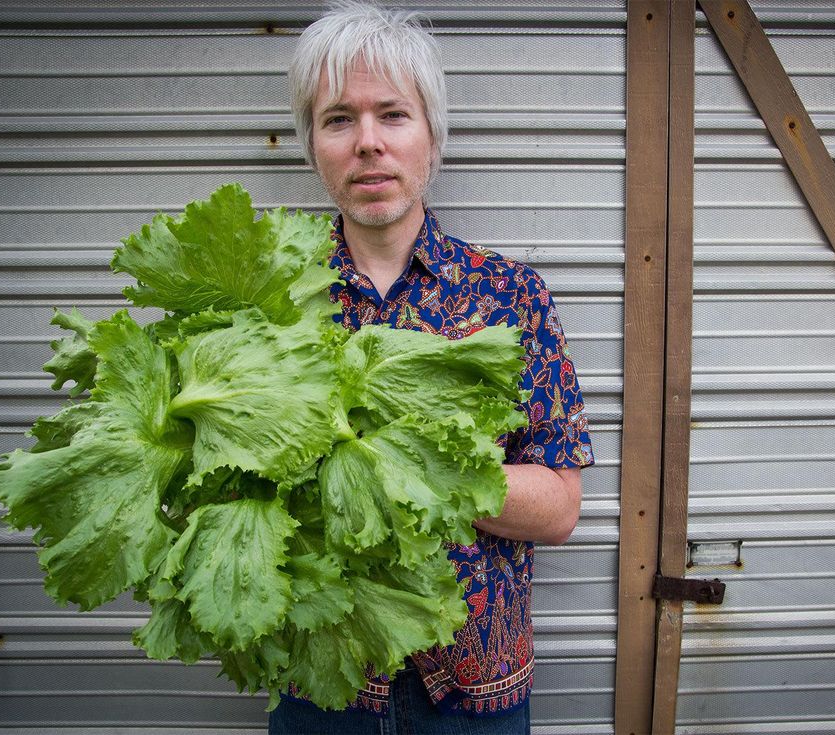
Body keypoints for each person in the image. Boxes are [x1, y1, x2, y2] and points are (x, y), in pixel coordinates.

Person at [272, 2, 593, 733]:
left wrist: (408, 466)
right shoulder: (273, 303)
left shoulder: (511, 297)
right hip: (323, 686)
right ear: (312, 145)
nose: (368, 144)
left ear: (432, 138)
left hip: (475, 696)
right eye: (337, 120)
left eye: (393, 115)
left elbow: (560, 504)